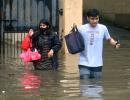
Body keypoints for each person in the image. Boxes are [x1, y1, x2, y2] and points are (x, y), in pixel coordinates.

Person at [78, 9, 120, 79]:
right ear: (88, 18)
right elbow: (75, 41)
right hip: (84, 62)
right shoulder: (81, 28)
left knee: (96, 85)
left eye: (96, 18)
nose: (95, 21)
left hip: (98, 63)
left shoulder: (103, 28)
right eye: (92, 19)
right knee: (84, 84)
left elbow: (109, 39)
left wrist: (115, 44)